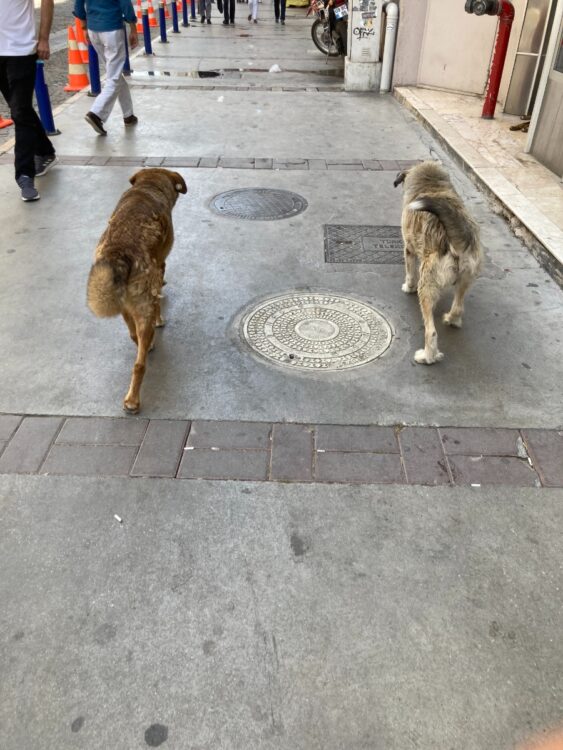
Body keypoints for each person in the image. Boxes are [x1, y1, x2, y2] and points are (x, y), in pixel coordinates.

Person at [0, 0, 58, 202]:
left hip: (21, 51)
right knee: (21, 110)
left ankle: (25, 175)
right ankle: (45, 151)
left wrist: (43, 39)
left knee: (20, 111)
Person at [73, 0, 138, 136]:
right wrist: (133, 27)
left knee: (114, 74)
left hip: (93, 29)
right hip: (112, 29)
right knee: (113, 77)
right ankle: (96, 113)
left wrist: (84, 27)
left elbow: (78, 5)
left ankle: (128, 115)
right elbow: (125, 3)